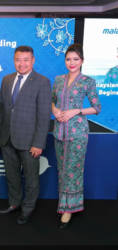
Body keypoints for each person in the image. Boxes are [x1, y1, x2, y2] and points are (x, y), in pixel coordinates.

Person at [0, 46, 52, 225]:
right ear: (13, 60)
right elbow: (2, 109)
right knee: (12, 175)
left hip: (29, 140)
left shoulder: (42, 81)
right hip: (7, 137)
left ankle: (27, 209)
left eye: (26, 59)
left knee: (32, 178)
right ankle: (14, 203)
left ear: (33, 60)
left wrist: (39, 142)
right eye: (18, 59)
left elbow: (43, 116)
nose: (22, 63)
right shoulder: (7, 79)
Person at [51, 43, 101, 229]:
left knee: (72, 172)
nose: (72, 62)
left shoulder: (88, 81)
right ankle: (63, 205)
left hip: (78, 133)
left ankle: (69, 210)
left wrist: (76, 111)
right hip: (59, 132)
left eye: (76, 59)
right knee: (61, 170)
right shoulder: (58, 79)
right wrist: (55, 110)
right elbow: (51, 100)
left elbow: (97, 108)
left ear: (82, 61)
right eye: (68, 59)